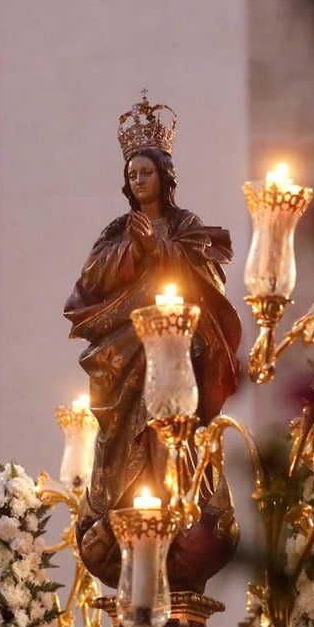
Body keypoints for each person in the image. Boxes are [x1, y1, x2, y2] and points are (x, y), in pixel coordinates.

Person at [64, 93, 243, 593]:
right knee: (124, 428)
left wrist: (158, 248)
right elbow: (93, 279)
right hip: (124, 354)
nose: (138, 181)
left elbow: (207, 279)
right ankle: (125, 506)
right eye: (132, 174)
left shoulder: (186, 226)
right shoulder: (118, 230)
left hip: (176, 351)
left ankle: (178, 504)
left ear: (164, 176)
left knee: (174, 431)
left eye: (146, 172)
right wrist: (130, 247)